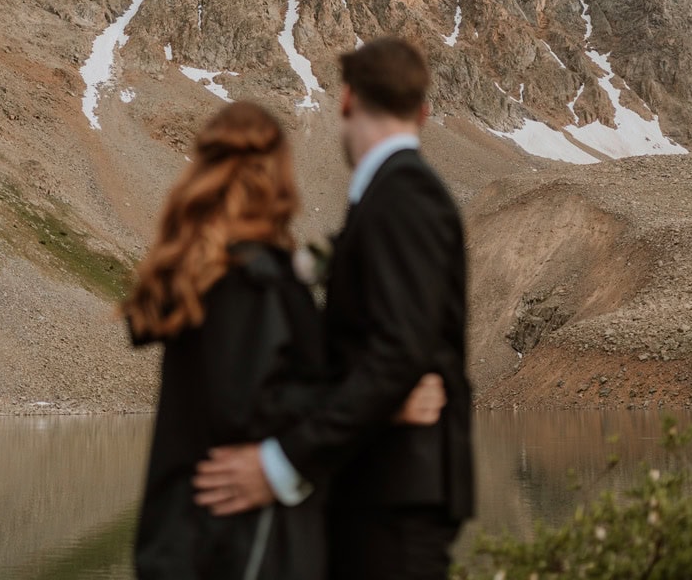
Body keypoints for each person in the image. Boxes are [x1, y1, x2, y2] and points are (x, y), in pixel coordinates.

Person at [125, 100, 446, 580]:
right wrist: (385, 405)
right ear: (274, 173)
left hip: (192, 541)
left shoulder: (202, 275)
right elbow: (254, 406)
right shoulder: (247, 280)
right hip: (245, 544)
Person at [194, 37, 474, 580]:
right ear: (423, 111)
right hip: (383, 486)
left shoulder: (403, 196)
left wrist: (281, 464)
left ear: (346, 101)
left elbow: (399, 354)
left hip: (398, 492)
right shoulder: (390, 198)